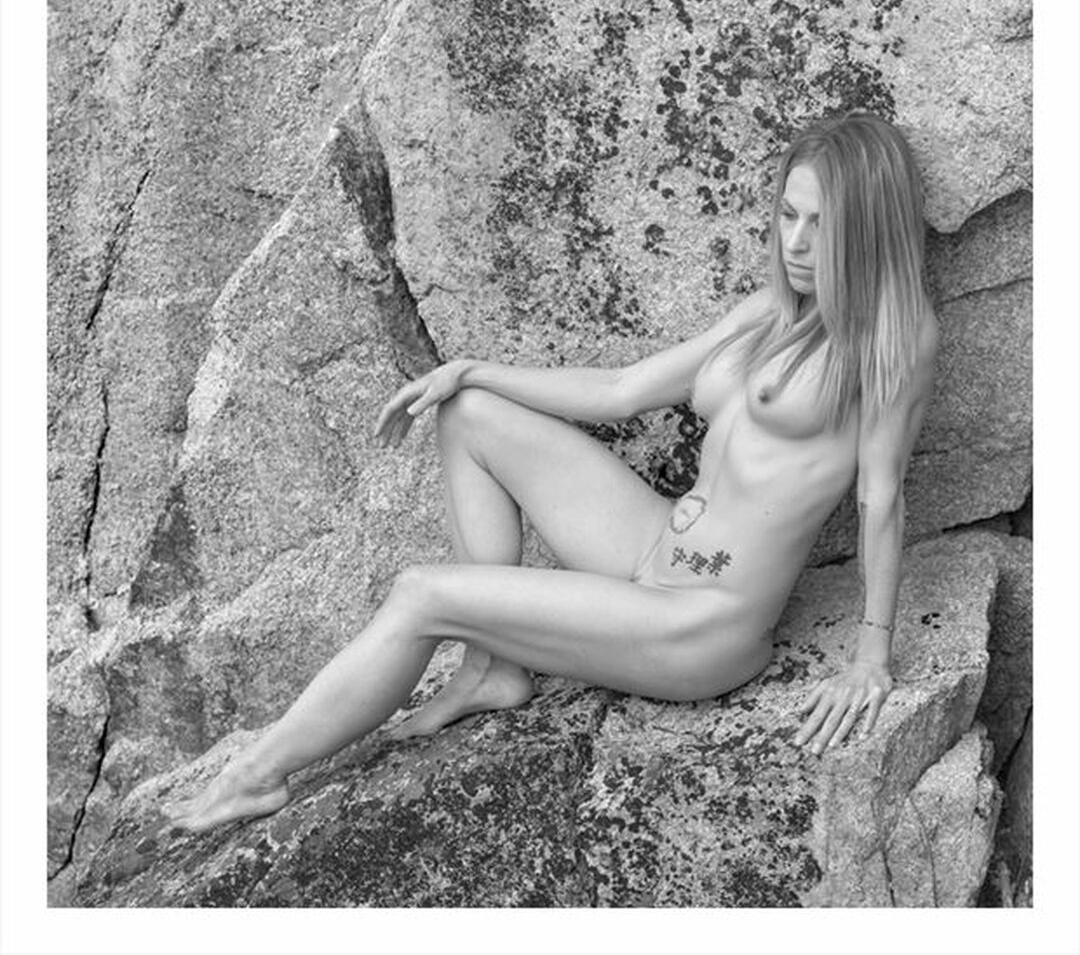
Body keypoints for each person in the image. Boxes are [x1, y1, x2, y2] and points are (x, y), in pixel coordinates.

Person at [165, 111, 938, 833]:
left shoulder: (892, 340)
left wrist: (872, 658)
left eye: (821, 224)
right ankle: (492, 667)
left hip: (703, 622)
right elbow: (622, 390)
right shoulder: (769, 312)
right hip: (655, 547)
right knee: (469, 411)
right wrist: (471, 368)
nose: (796, 242)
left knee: (422, 593)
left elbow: (881, 498)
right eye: (788, 214)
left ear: (866, 229)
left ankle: (258, 774)